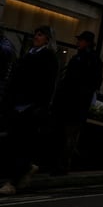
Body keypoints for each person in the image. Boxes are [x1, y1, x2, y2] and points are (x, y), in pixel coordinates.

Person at [0, 26, 59, 196]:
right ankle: (23, 170)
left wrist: (40, 106)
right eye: (36, 34)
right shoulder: (30, 53)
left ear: (47, 39)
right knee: (13, 143)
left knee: (22, 144)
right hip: (17, 105)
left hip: (30, 107)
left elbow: (48, 85)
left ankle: (13, 182)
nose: (36, 37)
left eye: (40, 35)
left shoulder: (48, 57)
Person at [51, 30, 103, 176]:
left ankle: (62, 165)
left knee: (69, 136)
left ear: (87, 42)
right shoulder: (80, 58)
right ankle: (59, 164)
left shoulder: (89, 60)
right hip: (71, 103)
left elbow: (93, 82)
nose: (78, 42)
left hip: (76, 104)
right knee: (65, 135)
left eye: (80, 40)